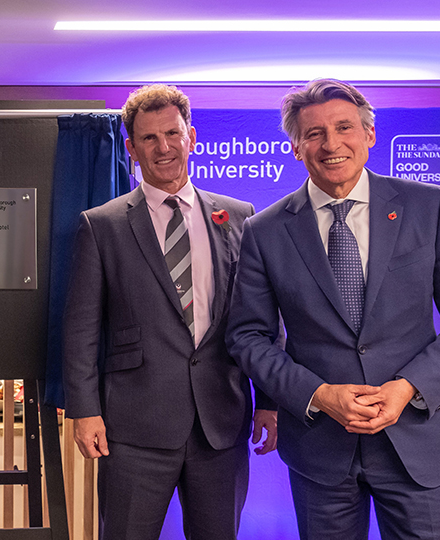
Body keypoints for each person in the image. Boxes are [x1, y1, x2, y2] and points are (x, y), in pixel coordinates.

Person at [226, 78, 440, 540]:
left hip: (418, 442)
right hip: (320, 451)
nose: (331, 143)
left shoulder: (429, 206)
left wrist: (408, 387)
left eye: (344, 127)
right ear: (296, 147)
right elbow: (247, 337)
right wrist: (317, 394)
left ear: (369, 135)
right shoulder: (265, 230)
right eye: (313, 133)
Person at [62, 84, 278, 540]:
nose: (163, 148)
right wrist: (84, 410)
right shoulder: (102, 225)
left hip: (221, 423)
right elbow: (81, 328)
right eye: (149, 139)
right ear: (131, 149)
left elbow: (261, 318)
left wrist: (270, 401)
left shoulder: (241, 217)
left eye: (172, 134)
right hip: (134, 428)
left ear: (192, 137)